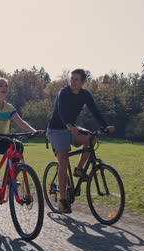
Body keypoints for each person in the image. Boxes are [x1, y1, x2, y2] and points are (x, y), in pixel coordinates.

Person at [46, 69, 115, 213]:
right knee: (63, 160)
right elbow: (61, 110)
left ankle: (78, 170)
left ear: (83, 82)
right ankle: (63, 200)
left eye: (76, 79)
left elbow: (95, 111)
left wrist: (105, 126)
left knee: (91, 139)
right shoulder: (63, 92)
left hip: (72, 129)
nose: (72, 81)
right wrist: (69, 125)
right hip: (57, 130)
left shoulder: (85, 95)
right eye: (71, 78)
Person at [0, 77, 44, 221]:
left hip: (1, 138)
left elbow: (20, 122)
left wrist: (33, 131)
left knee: (18, 145)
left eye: (6, 86)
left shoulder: (9, 108)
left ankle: (11, 176)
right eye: (1, 85)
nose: (4, 88)